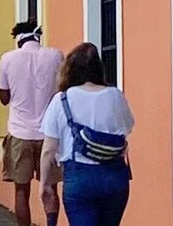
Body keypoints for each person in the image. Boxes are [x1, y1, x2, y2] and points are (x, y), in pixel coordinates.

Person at [39, 43, 135, 226]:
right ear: (99, 68)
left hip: (79, 179)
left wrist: (44, 184)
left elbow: (48, 151)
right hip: (115, 177)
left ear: (69, 70)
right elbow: (127, 127)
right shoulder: (115, 95)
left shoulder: (61, 100)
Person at [0, 20, 63, 226]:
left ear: (18, 40)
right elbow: (63, 90)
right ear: (37, 37)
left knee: (21, 190)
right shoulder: (56, 56)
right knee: (50, 187)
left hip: (20, 133)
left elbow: (4, 98)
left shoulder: (7, 59)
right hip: (49, 135)